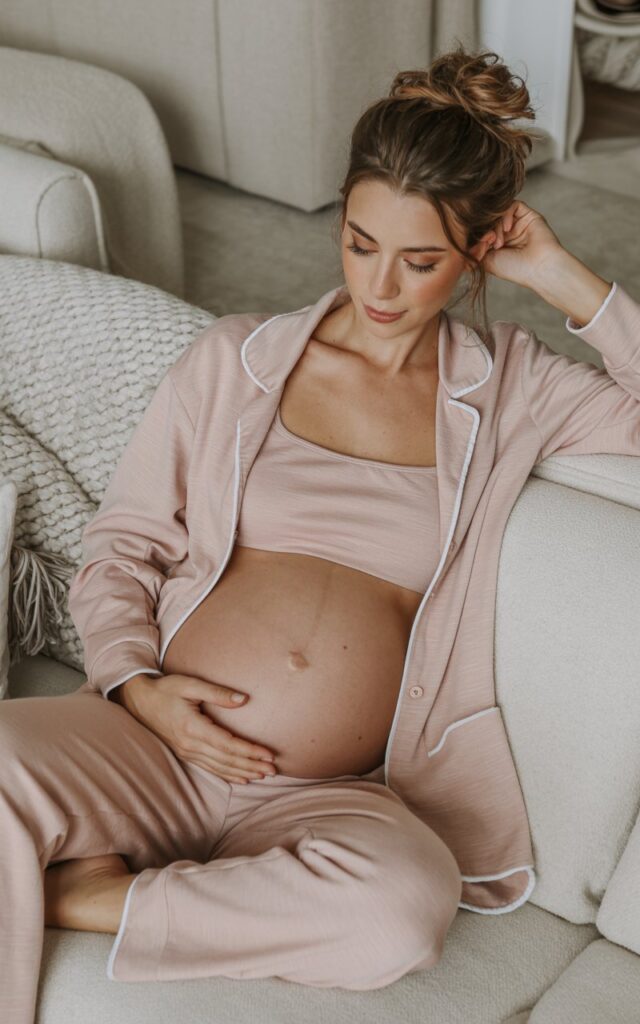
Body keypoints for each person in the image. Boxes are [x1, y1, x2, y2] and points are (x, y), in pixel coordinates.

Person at [3, 43, 640, 1020]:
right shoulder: (234, 361)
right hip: (152, 745)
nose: (381, 286)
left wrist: (559, 275)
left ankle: (94, 895)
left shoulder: (514, 388)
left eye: (420, 260)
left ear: (477, 250)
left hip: (325, 793)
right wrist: (139, 686)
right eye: (360, 242)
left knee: (402, 910)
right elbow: (123, 545)